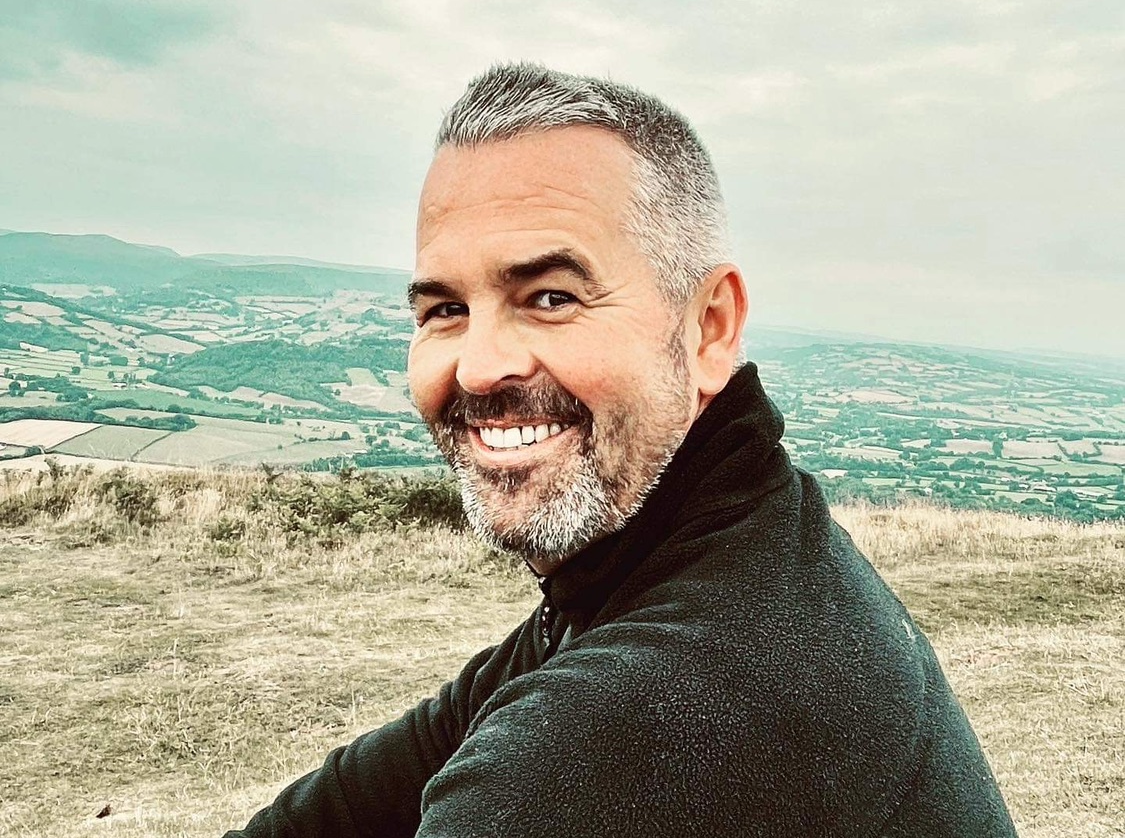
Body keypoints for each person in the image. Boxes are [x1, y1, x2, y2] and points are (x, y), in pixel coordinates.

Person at [225, 64, 1017, 837]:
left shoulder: (637, 720)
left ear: (708, 326)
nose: (477, 363)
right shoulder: (708, 555)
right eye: (444, 307)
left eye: (551, 296)